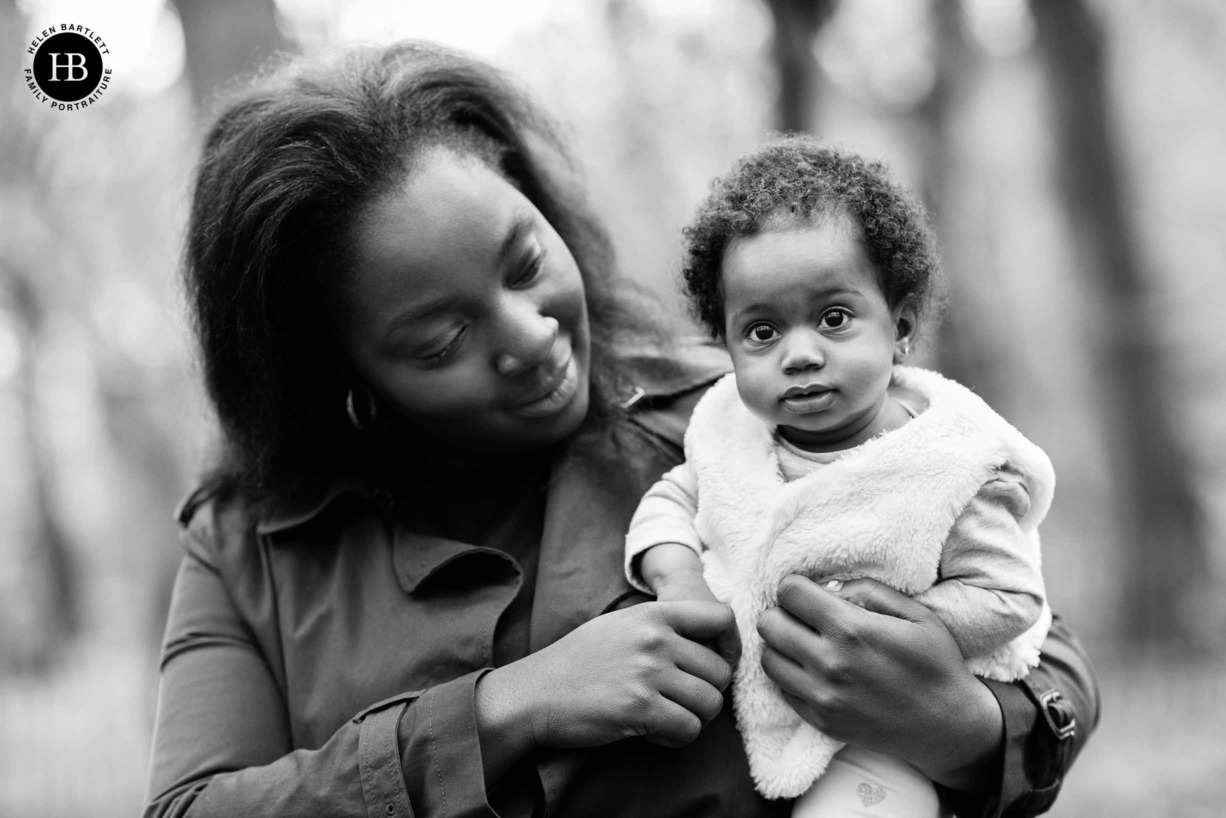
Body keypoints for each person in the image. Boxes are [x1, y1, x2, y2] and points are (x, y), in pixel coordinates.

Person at [145, 40, 1097, 818]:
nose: (530, 336)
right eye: (441, 339)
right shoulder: (247, 547)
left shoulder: (735, 415)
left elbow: (1047, 658)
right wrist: (505, 711)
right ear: (339, 372)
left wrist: (961, 725)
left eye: (525, 262)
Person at [625, 137, 1057, 817]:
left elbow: (1009, 595)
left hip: (884, 735)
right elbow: (671, 499)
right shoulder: (729, 438)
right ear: (726, 346)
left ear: (901, 325)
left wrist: (899, 631)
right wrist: (675, 574)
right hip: (747, 718)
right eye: (761, 332)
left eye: (833, 319)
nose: (799, 354)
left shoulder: (951, 465)